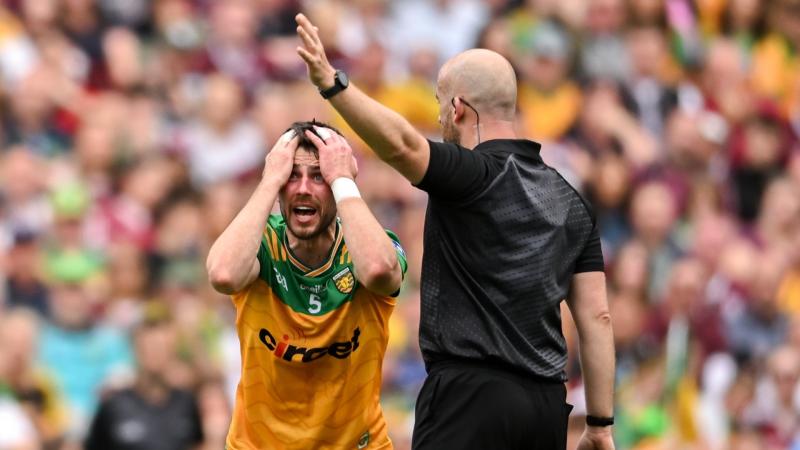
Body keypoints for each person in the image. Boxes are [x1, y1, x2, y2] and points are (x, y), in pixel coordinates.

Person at [295, 14, 615, 450]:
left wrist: (332, 83)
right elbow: (597, 319)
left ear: (459, 107)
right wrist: (599, 424)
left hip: (468, 401)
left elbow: (402, 145)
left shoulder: (472, 174)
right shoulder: (570, 202)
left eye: (441, 103)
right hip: (544, 409)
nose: (441, 115)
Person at [206, 121, 407, 449]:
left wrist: (342, 178)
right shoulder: (262, 243)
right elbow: (223, 274)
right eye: (292, 175)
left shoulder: (369, 245)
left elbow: (377, 271)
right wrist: (270, 179)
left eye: (318, 176)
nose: (302, 189)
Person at [84, 310, 204, 450]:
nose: (155, 355)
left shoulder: (186, 403)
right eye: (149, 348)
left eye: (161, 348)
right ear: (136, 350)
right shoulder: (113, 405)